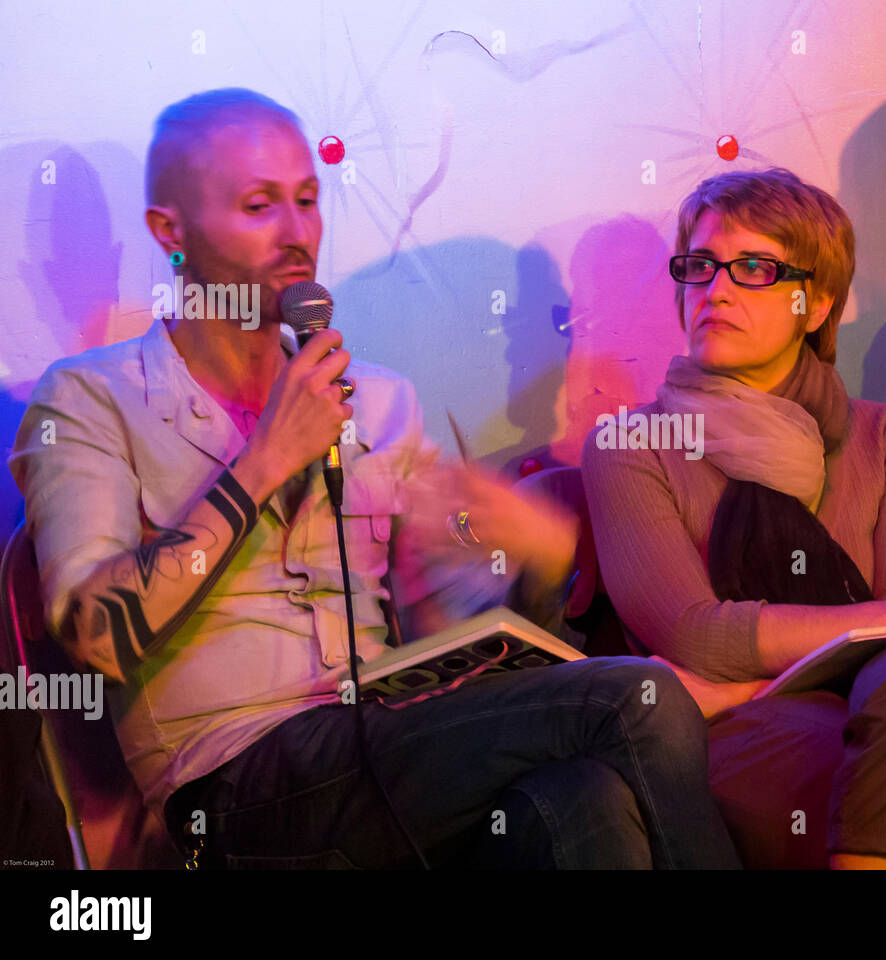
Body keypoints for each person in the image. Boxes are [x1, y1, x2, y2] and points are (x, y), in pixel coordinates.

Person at [7, 88, 740, 870]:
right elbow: (94, 637)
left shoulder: (382, 400)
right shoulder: (88, 398)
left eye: (308, 200)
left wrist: (522, 560)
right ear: (171, 233)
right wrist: (263, 465)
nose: (297, 234)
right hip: (230, 783)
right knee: (644, 697)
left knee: (580, 797)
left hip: (387, 736)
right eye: (260, 206)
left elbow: (449, 634)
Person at [581, 167, 886, 869]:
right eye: (701, 267)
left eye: (753, 268)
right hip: (732, 737)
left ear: (815, 302)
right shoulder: (630, 446)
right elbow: (695, 636)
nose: (715, 289)